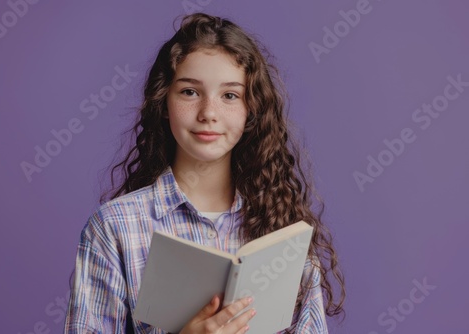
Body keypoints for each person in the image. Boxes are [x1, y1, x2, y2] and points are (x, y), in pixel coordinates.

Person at [64, 12, 345, 334]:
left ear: (251, 110)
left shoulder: (284, 231)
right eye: (190, 92)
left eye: (230, 95)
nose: (209, 113)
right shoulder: (115, 228)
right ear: (164, 103)